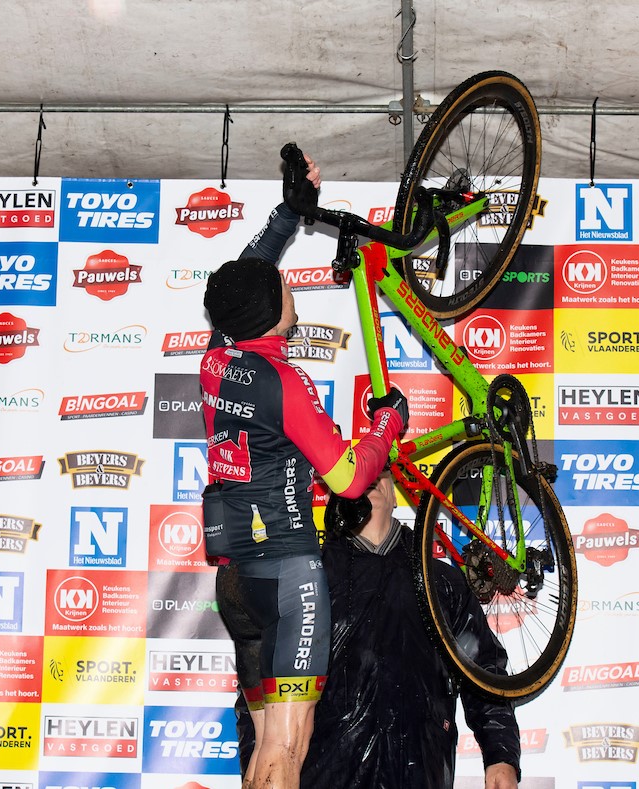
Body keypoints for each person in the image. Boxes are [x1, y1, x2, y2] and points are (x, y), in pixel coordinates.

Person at [201, 155, 410, 789]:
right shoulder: (285, 383)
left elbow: (251, 275)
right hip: (290, 573)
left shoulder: (216, 360)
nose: (291, 287)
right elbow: (349, 479)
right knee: (286, 753)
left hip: (237, 581)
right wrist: (388, 425)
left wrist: (291, 214)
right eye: (285, 289)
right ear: (271, 313)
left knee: (264, 748)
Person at [237, 471, 521, 789]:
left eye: (378, 473)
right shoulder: (302, 583)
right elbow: (260, 691)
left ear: (395, 497)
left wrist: (501, 756)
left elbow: (484, 672)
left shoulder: (442, 582)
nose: (367, 477)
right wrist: (259, 770)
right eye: (354, 472)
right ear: (333, 500)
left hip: (420, 773)